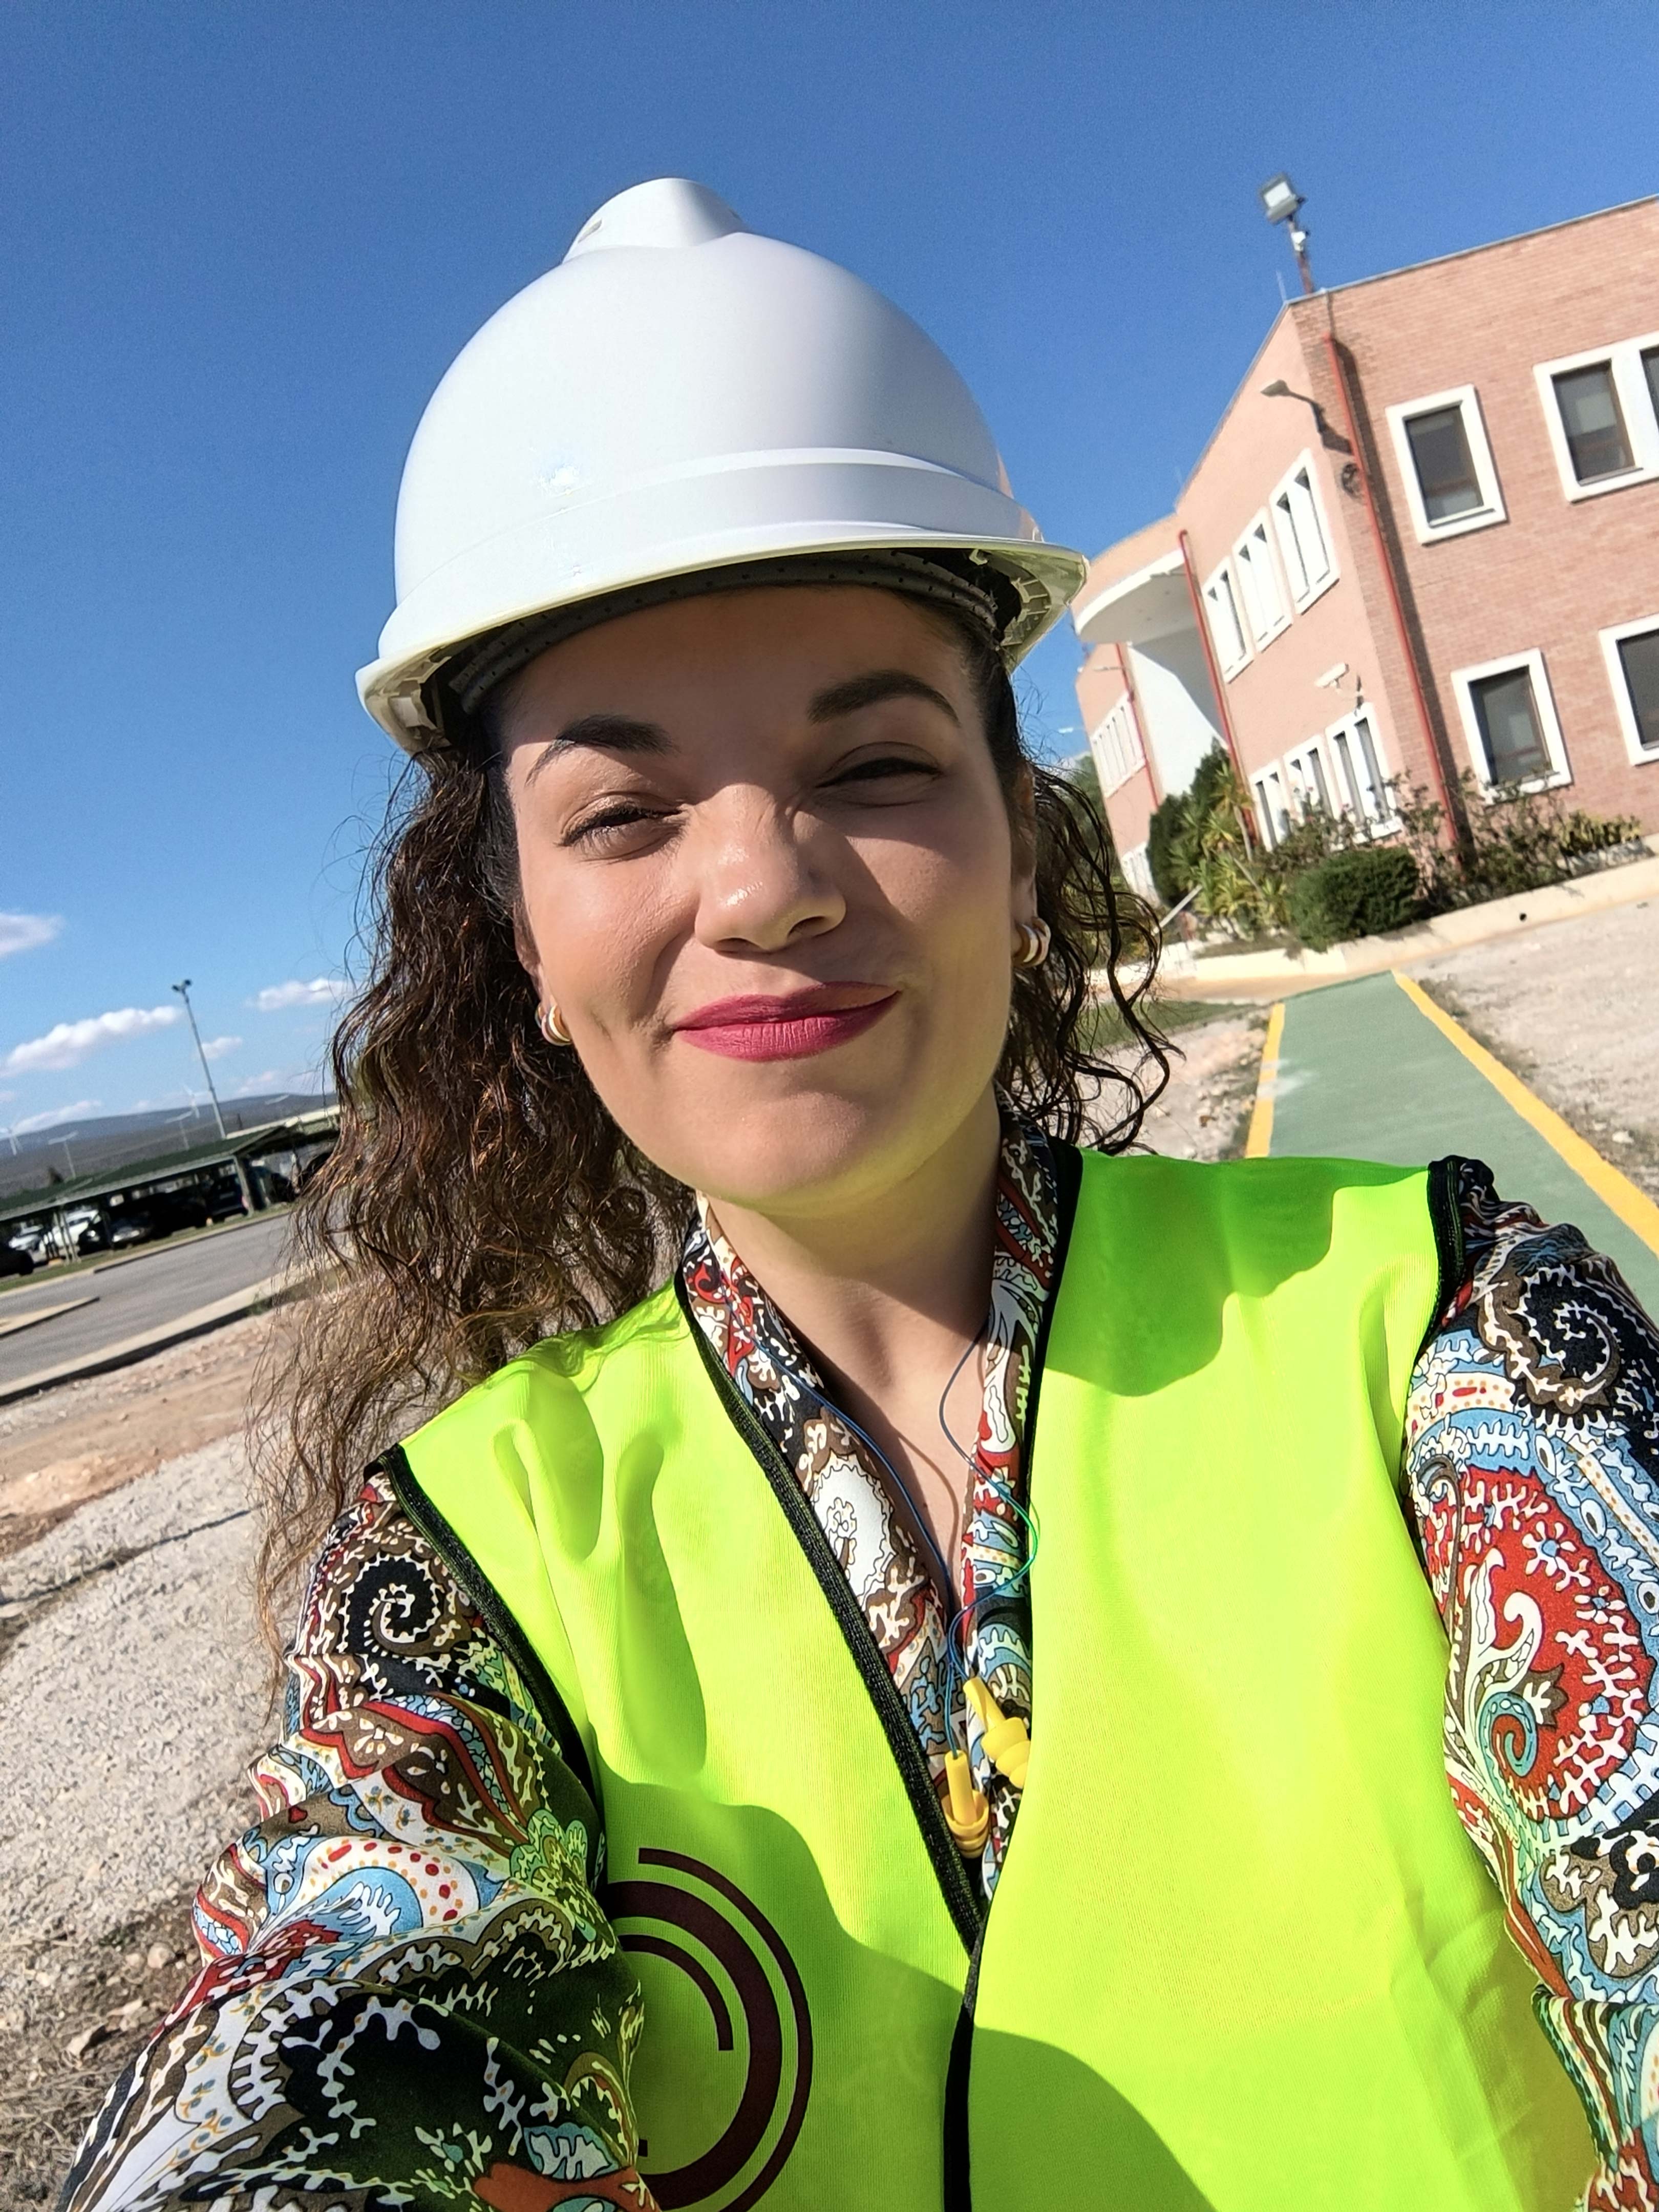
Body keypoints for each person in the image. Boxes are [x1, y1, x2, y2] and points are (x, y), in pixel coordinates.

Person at [62, 180, 1659, 2212]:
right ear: (525, 947)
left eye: (878, 766)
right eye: (621, 813)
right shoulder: (458, 1572)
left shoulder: (1452, 1328)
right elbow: (323, 2039)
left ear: (1022, 843)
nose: (762, 886)